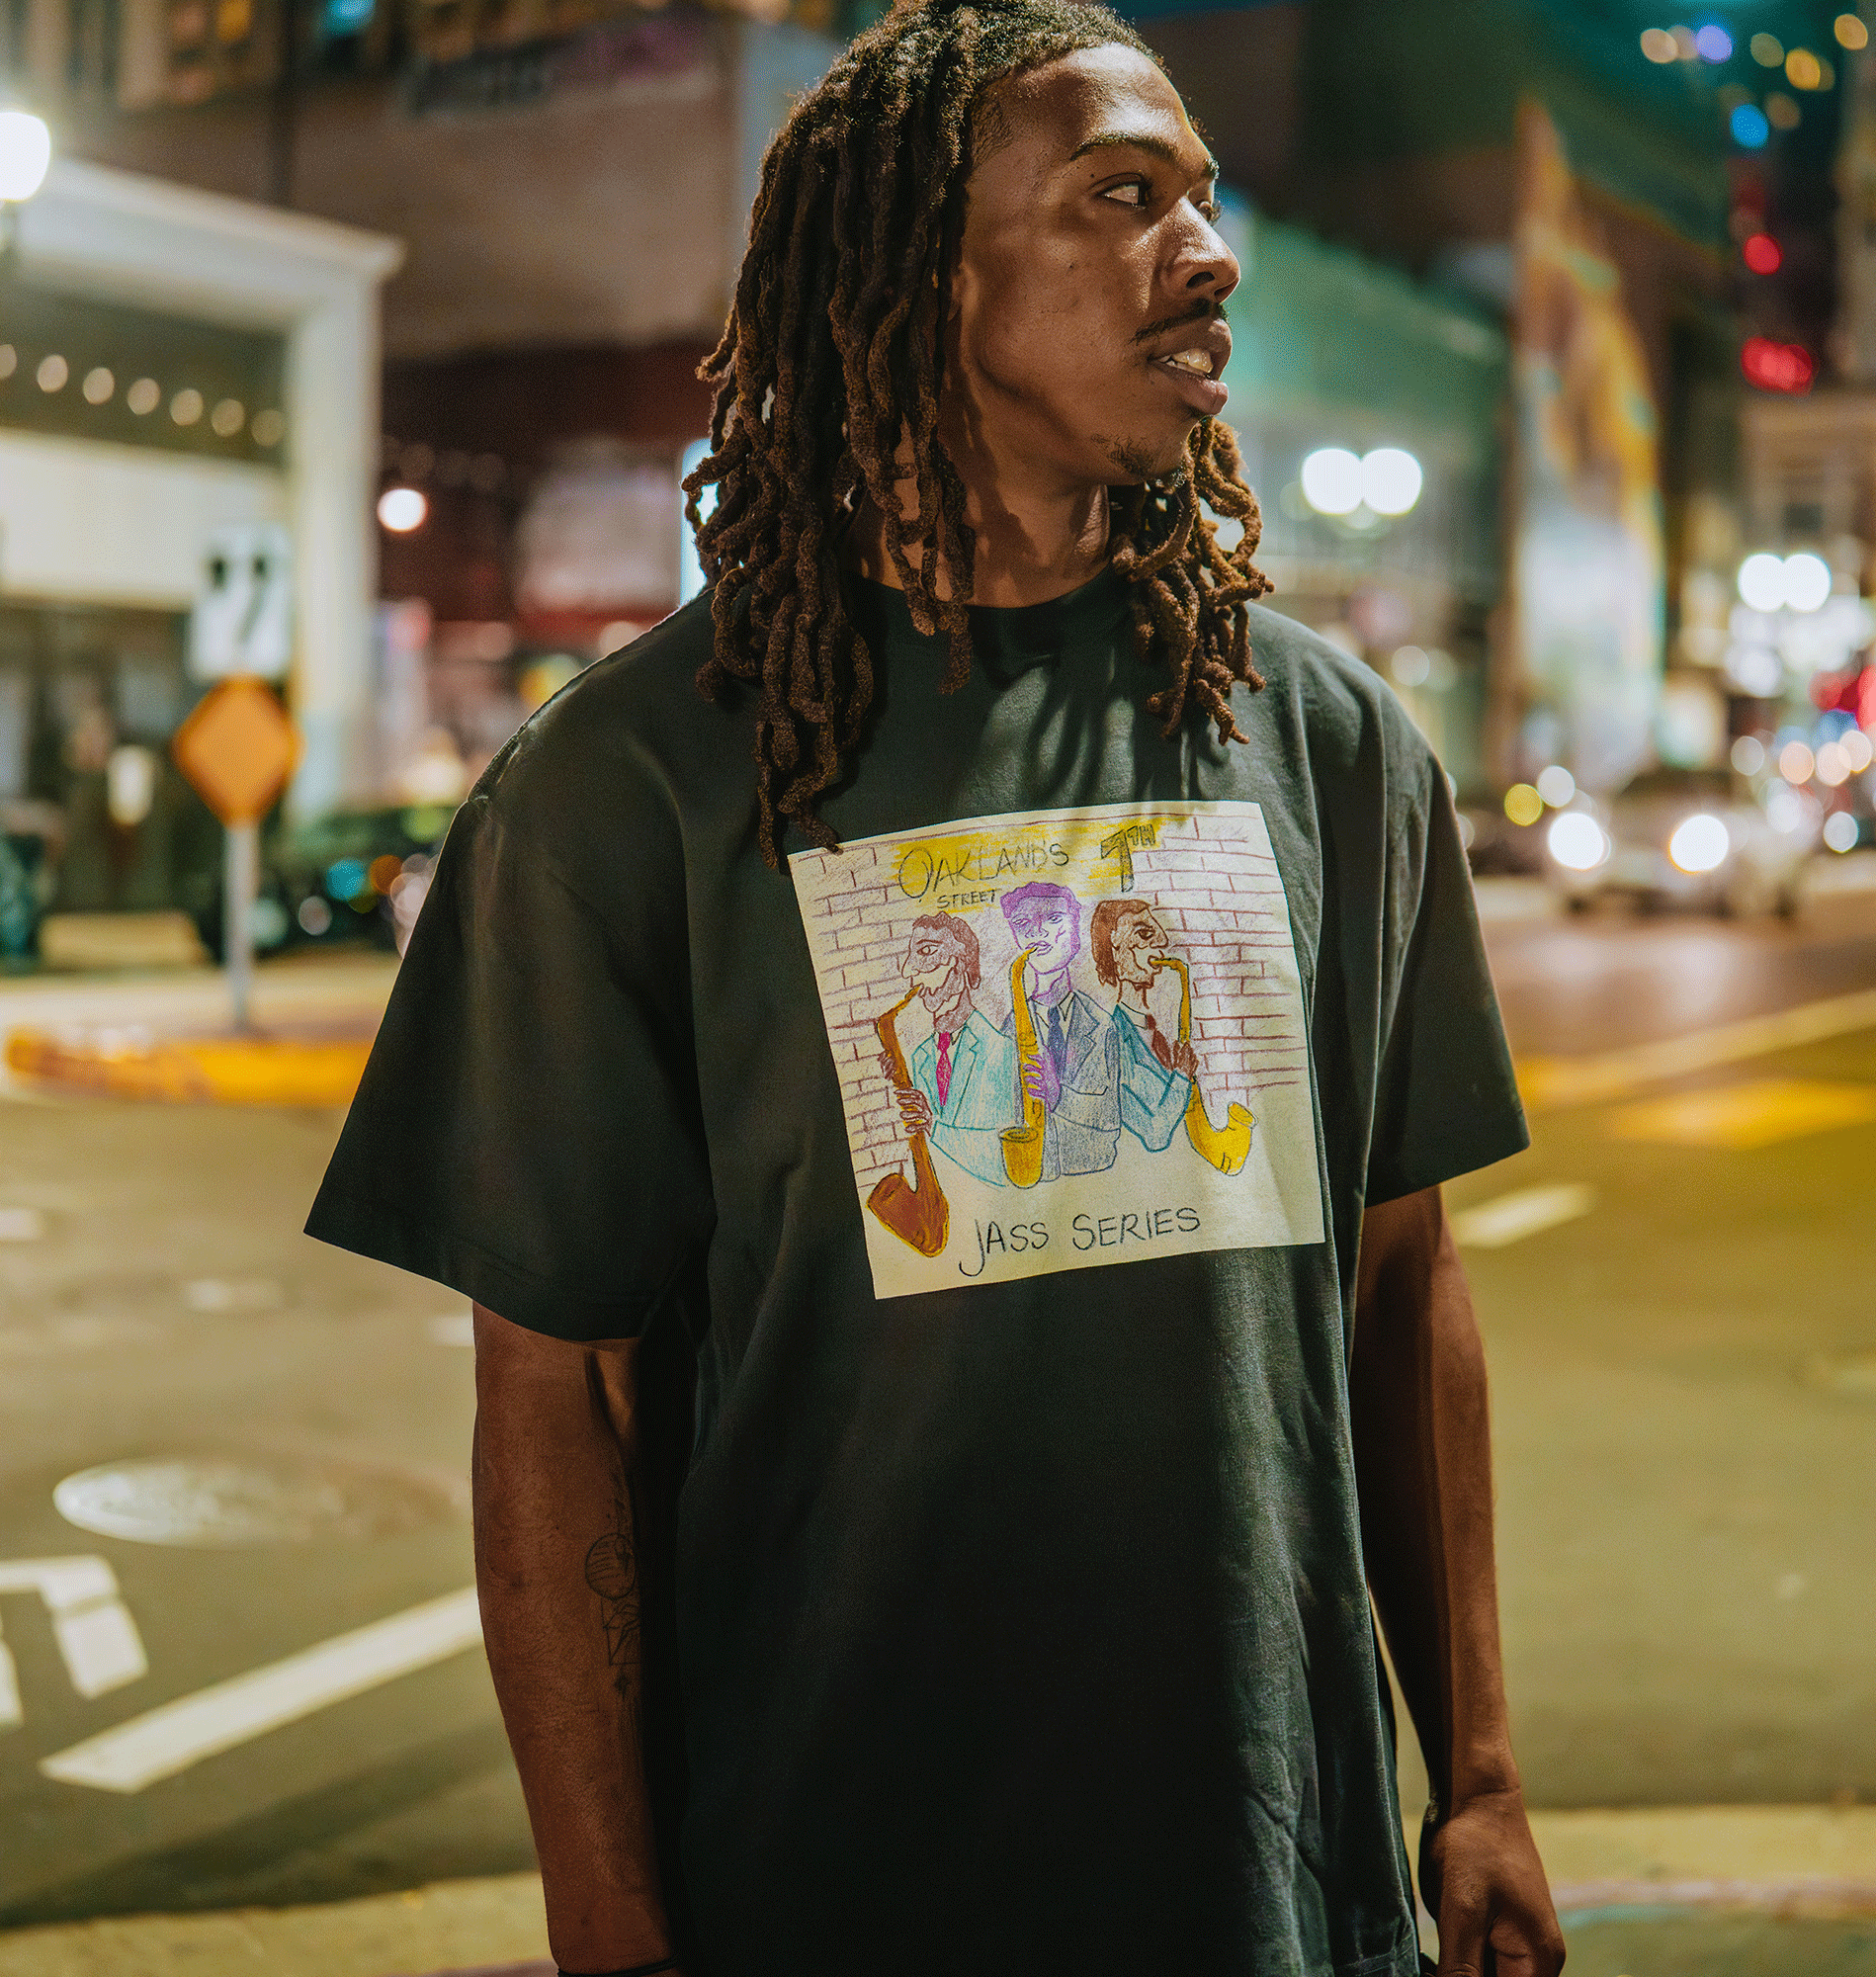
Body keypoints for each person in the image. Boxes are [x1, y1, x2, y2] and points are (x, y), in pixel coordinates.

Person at [306, 1, 1566, 1972]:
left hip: (1278, 1894)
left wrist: (1475, 1775)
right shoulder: (623, 790)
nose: (1208, 256)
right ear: (921, 272)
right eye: (1122, 198)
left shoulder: (1330, 746)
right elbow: (556, 1395)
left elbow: (1405, 1281)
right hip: (818, 1885)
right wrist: (612, 1927)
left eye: (1204, 200)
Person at [998, 879, 1122, 1179]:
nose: (1037, 932)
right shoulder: (1009, 1030)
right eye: (1022, 923)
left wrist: (1058, 1095)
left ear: (1076, 933)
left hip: (1093, 1176)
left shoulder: (1102, 1025)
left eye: (1053, 918)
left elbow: (1110, 1121)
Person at [893, 909, 1017, 1185]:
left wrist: (933, 1125)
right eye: (911, 955)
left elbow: (1003, 1159)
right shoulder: (920, 1057)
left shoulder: (1000, 1050)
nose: (908, 970)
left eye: (926, 951)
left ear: (960, 964)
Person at [1089, 894, 1195, 1154]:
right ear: (1115, 949)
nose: (1161, 943)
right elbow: (1154, 1134)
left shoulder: (1154, 1032)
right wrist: (1182, 1077)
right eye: (1144, 935)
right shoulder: (1111, 1039)